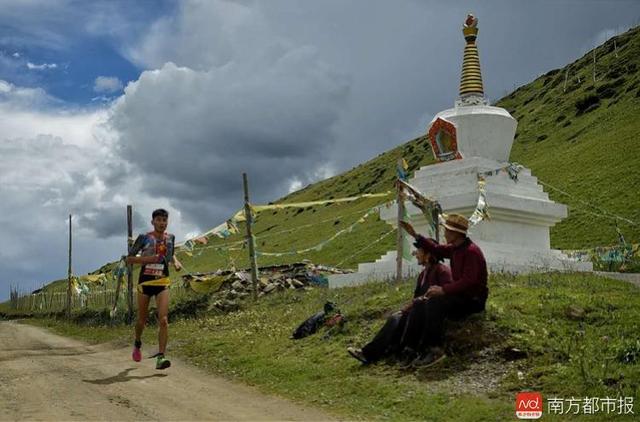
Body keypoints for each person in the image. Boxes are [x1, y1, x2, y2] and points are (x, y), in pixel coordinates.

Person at [398, 213, 488, 367]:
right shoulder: (455, 248)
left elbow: (469, 281)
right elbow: (435, 248)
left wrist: (444, 290)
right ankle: (410, 348)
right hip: (459, 297)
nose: (445, 233)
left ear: (455, 234)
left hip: (473, 300)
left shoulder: (471, 252)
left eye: (447, 231)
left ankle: (434, 349)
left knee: (435, 301)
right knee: (420, 303)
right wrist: (415, 235)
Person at [347, 241, 452, 365]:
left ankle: (402, 351)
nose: (416, 254)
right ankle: (369, 353)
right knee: (395, 318)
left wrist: (418, 302)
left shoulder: (442, 271)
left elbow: (445, 294)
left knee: (401, 317)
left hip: (429, 313)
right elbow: (416, 297)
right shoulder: (422, 275)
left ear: (428, 255)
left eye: (418, 252)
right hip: (418, 310)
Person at [127, 208, 182, 370]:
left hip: (162, 282)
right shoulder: (144, 238)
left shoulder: (170, 238)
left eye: (164, 220)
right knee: (142, 321)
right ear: (153, 222)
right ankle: (137, 343)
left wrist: (176, 262)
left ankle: (161, 357)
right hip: (145, 283)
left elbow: (170, 254)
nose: (162, 223)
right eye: (158, 220)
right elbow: (129, 259)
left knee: (163, 320)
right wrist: (149, 259)